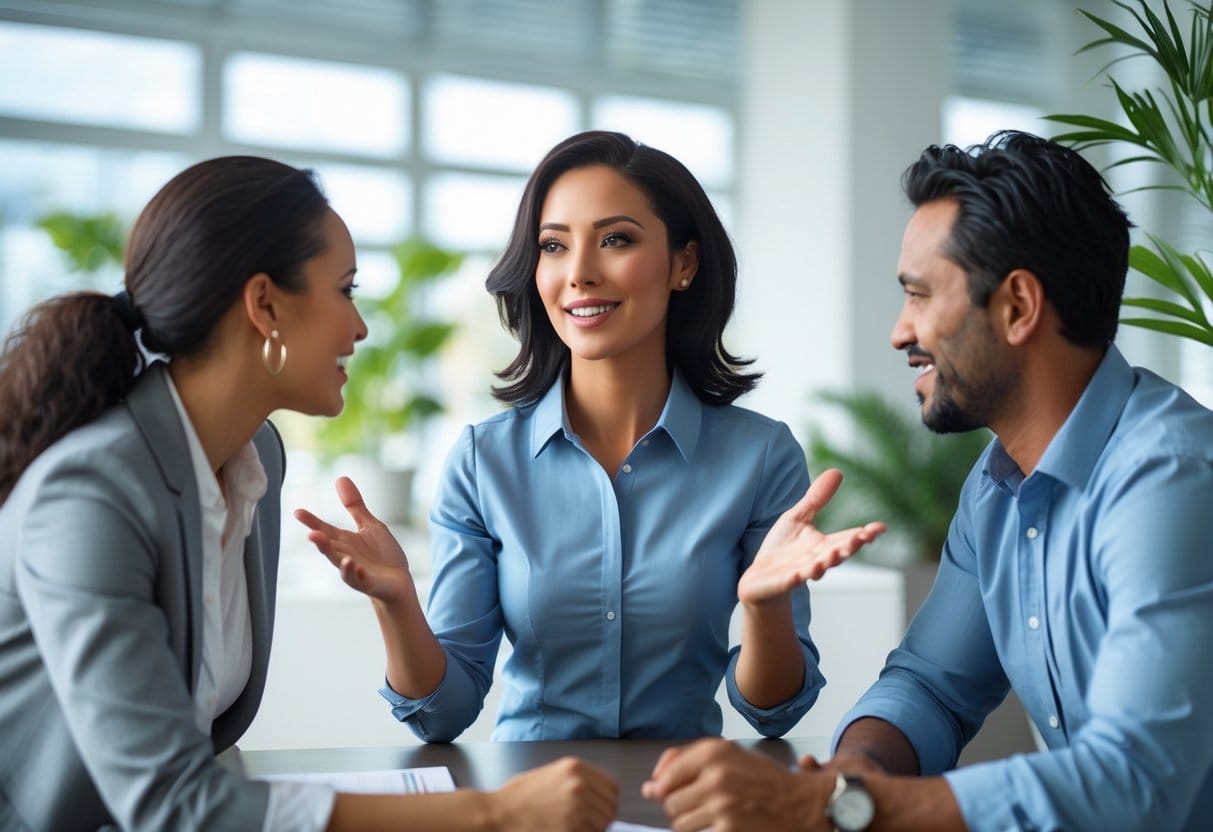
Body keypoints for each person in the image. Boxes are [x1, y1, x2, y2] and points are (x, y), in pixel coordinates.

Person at [0, 156, 618, 831]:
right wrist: (491, 813)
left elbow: (206, 756)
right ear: (264, 304)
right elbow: (171, 802)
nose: (359, 328)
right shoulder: (91, 494)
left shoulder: (254, 459)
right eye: (345, 290)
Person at [641, 130, 1213, 831]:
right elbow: (930, 687)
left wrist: (844, 808)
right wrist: (856, 774)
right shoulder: (996, 487)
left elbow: (1134, 783)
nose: (897, 332)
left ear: (1017, 307)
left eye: (917, 295)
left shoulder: (1170, 481)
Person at [296, 130, 885, 743]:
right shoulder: (483, 461)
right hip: (531, 806)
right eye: (553, 246)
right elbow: (443, 715)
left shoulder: (760, 457)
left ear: (684, 264)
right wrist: (396, 604)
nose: (578, 273)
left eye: (615, 240)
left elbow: (775, 712)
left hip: (684, 802)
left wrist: (764, 609)